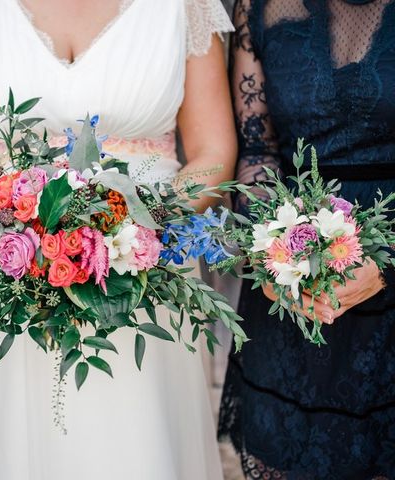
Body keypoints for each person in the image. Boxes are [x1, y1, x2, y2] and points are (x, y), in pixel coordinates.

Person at [0, 0, 237, 478]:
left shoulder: (184, 7)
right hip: (19, 276)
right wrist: (22, 235)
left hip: (146, 267)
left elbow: (213, 152)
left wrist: (135, 228)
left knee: (142, 442)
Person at [219, 0, 395, 478]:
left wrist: (387, 260)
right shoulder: (257, 7)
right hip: (293, 296)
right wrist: (266, 253)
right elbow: (259, 149)